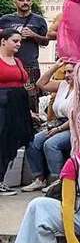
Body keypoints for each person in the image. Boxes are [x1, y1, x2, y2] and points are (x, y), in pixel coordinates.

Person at [21, 60, 75, 193]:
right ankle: (39, 178)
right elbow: (40, 83)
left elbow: (75, 117)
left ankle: (58, 180)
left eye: (71, 71)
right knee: (32, 141)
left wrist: (58, 129)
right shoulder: (63, 85)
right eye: (66, 71)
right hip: (58, 123)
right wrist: (56, 66)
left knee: (51, 144)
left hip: (72, 126)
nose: (67, 75)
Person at [0, 0, 48, 112]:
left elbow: (46, 41)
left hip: (30, 66)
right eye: (21, 0)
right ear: (15, 2)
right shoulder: (5, 20)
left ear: (31, 2)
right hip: (8, 65)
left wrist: (34, 35)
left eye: (28, 0)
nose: (25, 2)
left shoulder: (39, 20)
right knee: (8, 100)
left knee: (31, 103)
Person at [0, 28, 34, 196]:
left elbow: (24, 84)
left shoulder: (18, 61)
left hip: (18, 106)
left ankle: (1, 180)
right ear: (3, 41)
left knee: (12, 144)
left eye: (20, 41)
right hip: (3, 106)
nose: (19, 44)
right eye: (15, 41)